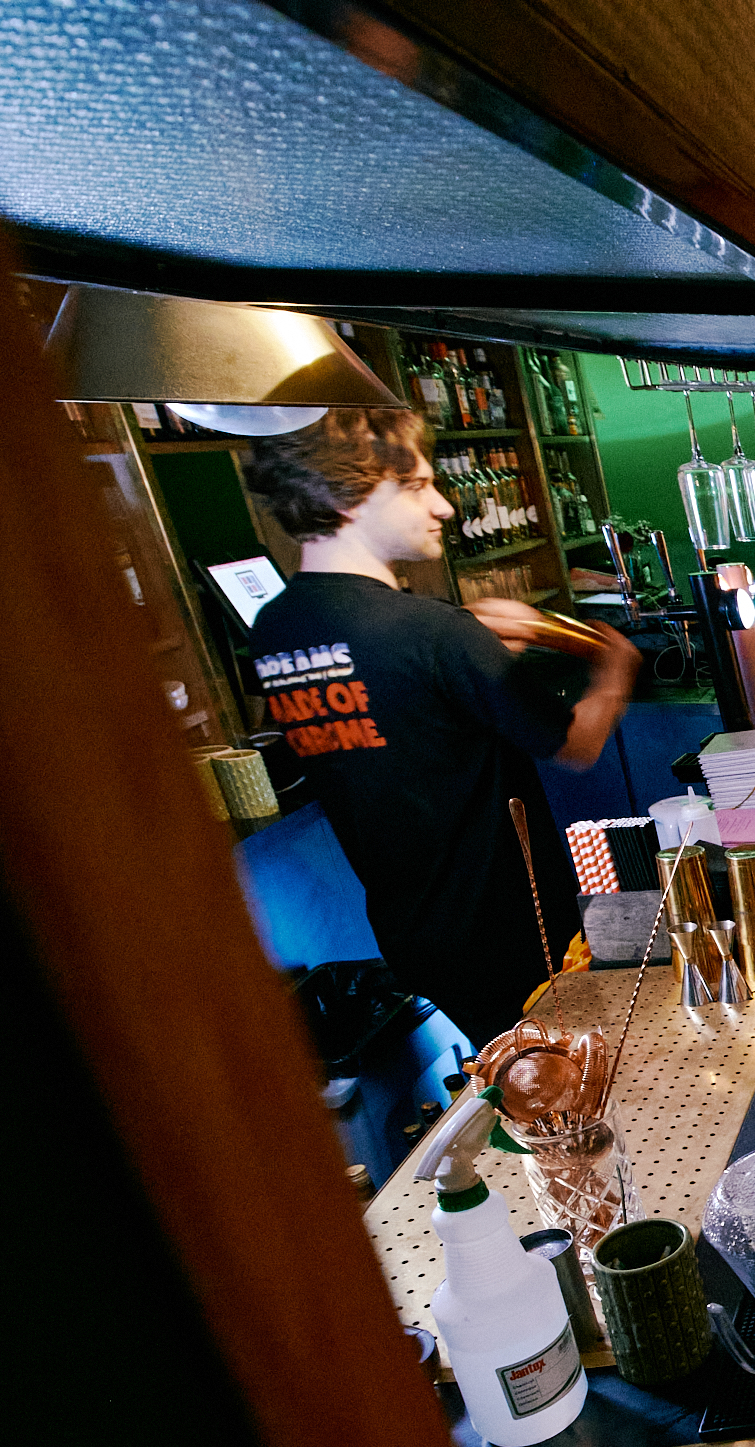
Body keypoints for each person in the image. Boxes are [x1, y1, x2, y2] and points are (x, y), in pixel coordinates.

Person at [245, 408, 635, 1045]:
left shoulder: (274, 631)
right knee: (567, 1089)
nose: (446, 507)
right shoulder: (435, 632)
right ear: (352, 493)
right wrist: (615, 666)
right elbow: (578, 744)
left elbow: (384, 720)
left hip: (412, 935)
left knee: (508, 1084)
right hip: (513, 929)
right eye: (419, 486)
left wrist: (471, 665)